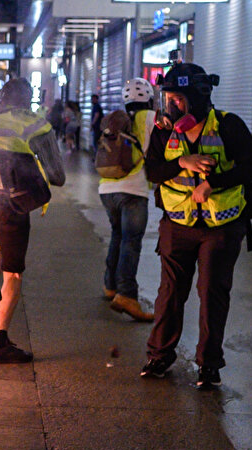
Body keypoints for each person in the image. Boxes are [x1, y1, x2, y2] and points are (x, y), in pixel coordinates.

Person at [139, 63, 252, 389]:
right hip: (177, 226)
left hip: (221, 228)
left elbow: (249, 168)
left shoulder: (229, 126)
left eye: (178, 100)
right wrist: (182, 163)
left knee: (212, 294)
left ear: (198, 98)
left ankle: (209, 365)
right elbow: (153, 172)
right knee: (170, 293)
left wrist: (212, 183)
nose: (171, 106)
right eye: (168, 98)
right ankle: (159, 356)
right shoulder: (163, 131)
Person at [0, 77, 65, 363]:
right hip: (9, 202)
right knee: (13, 272)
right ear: (28, 100)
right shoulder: (35, 123)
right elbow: (57, 176)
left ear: (0, 97)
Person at [98, 78, 157, 321]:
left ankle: (110, 286)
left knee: (118, 236)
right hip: (133, 190)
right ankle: (127, 295)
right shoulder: (151, 119)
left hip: (107, 189)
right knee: (131, 242)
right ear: (149, 98)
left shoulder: (118, 121)